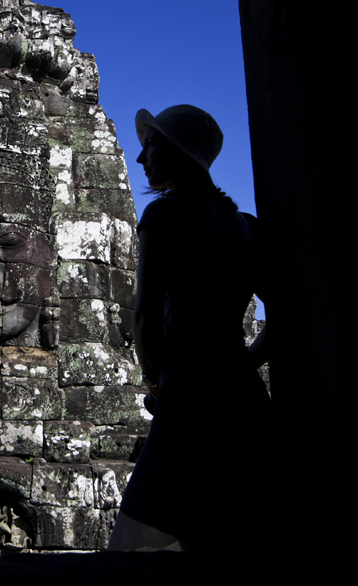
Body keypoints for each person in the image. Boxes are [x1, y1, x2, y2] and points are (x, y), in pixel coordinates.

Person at [108, 105, 270, 556]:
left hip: (188, 392)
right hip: (243, 394)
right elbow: (287, 314)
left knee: (190, 534)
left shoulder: (164, 216)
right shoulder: (247, 227)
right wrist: (243, 360)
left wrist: (154, 380)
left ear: (178, 153)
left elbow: (143, 317)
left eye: (152, 145)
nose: (141, 159)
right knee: (246, 533)